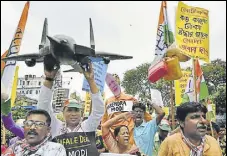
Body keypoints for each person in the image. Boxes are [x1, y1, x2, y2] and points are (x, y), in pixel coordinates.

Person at [37, 62, 104, 137]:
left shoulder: (87, 127)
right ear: (63, 113)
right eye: (69, 110)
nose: (73, 114)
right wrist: (49, 79)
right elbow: (43, 108)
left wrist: (91, 80)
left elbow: (99, 110)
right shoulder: (56, 127)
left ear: (81, 114)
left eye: (76, 110)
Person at [102, 73, 151, 145]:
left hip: (129, 137)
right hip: (113, 138)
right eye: (110, 84)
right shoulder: (108, 101)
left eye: (114, 81)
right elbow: (104, 120)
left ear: (119, 82)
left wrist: (152, 125)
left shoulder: (130, 99)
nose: (113, 85)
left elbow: (144, 113)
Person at [2, 109, 66, 156]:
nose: (32, 127)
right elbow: (9, 124)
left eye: (39, 124)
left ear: (48, 130)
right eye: (29, 123)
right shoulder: (15, 147)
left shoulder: (56, 149)